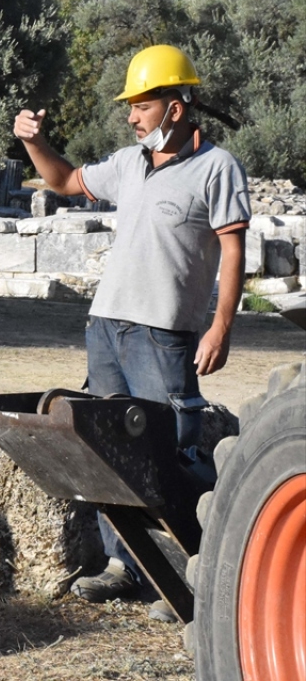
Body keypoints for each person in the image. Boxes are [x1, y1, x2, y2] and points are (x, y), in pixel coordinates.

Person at [13, 44, 250, 621]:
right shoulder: (130, 162)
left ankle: (203, 572)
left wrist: (221, 326)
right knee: (105, 446)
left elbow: (233, 250)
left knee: (176, 452)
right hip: (107, 326)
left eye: (140, 105)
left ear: (175, 105)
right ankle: (127, 568)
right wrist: (32, 142)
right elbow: (65, 180)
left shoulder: (218, 168)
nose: (130, 116)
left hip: (166, 336)